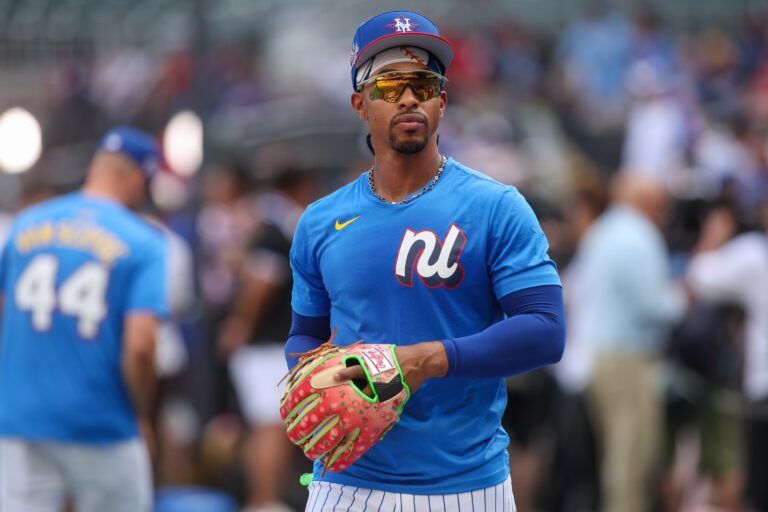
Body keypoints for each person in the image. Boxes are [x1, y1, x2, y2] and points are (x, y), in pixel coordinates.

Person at [284, 11, 565, 511]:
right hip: (345, 483)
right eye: (389, 85)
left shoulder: (495, 206)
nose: (409, 97)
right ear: (360, 104)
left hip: (466, 485)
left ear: (442, 101)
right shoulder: (320, 221)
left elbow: (546, 329)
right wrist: (312, 378)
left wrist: (427, 358)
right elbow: (305, 334)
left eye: (424, 84)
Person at [0, 126, 167, 512]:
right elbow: (141, 346)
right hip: (100, 421)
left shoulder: (25, 223)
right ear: (138, 179)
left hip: (19, 418)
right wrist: (140, 414)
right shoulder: (144, 241)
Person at [577, 173, 687, 512]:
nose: (663, 214)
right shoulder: (639, 235)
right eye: (660, 206)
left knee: (617, 452)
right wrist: (683, 299)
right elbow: (653, 305)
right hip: (629, 357)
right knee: (632, 456)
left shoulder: (602, 230)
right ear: (646, 203)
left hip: (599, 354)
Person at [218, 167, 315, 512]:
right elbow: (260, 283)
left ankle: (265, 499)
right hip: (264, 346)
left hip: (267, 345)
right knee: (271, 426)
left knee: (272, 426)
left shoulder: (271, 226)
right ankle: (264, 501)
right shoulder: (273, 230)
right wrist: (242, 324)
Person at [686, 201, 768, 512]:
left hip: (763, 385)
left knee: (756, 480)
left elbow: (701, 275)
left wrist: (714, 235)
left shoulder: (754, 254)